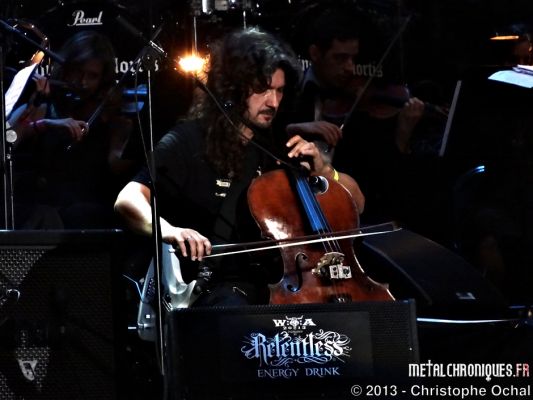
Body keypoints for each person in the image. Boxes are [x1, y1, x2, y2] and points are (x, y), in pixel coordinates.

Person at [114, 28, 365, 307]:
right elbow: (128, 199)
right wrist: (171, 231)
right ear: (232, 88)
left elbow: (356, 204)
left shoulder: (279, 147)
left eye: (279, 90)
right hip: (210, 288)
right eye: (262, 89)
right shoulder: (188, 140)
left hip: (273, 286)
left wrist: (325, 171)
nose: (273, 102)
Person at [8, 30, 135, 229]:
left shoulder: (111, 118)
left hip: (87, 221)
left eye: (92, 76)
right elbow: (8, 141)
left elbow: (116, 165)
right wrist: (42, 120)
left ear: (103, 79)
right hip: (42, 215)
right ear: (66, 69)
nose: (83, 82)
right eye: (78, 71)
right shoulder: (42, 107)